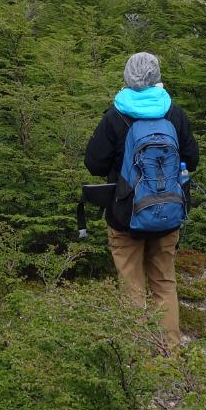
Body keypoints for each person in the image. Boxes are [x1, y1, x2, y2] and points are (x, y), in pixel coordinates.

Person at [83, 51, 198, 353]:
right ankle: (169, 352)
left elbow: (94, 164)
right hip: (168, 215)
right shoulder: (173, 113)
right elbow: (193, 160)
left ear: (127, 76)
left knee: (132, 286)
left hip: (124, 217)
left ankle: (135, 357)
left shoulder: (116, 115)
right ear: (157, 76)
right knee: (164, 282)